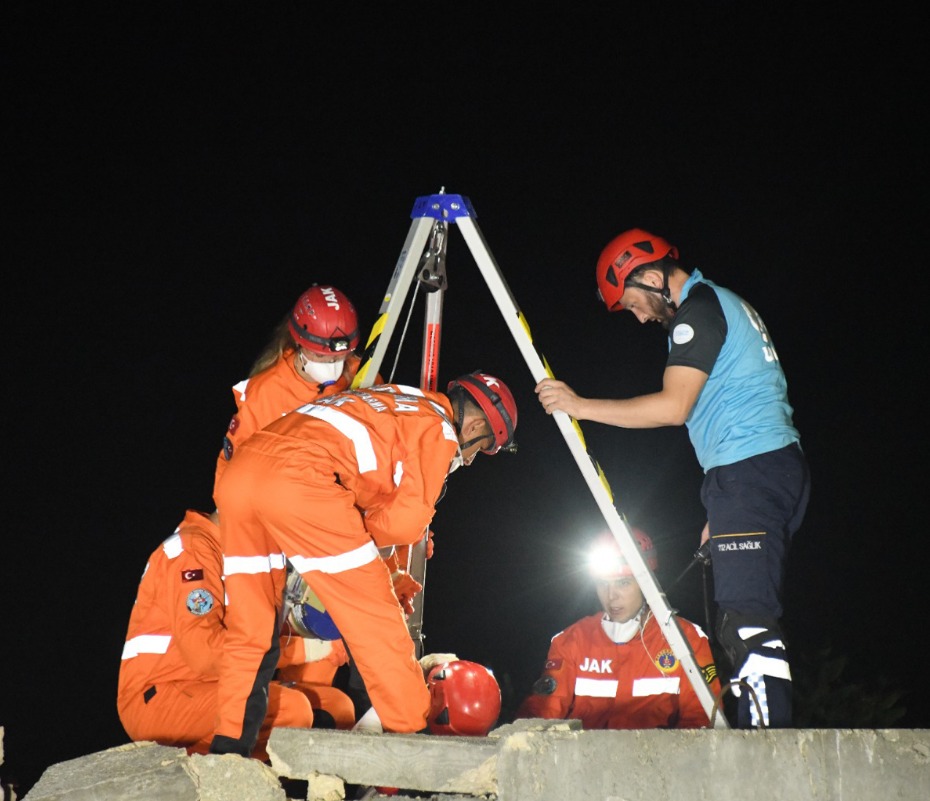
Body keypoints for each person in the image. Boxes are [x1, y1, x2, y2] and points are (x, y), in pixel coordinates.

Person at [535, 228, 810, 728]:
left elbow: (674, 406)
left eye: (633, 301)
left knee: (745, 620)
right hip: (760, 471)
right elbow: (738, 406)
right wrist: (719, 512)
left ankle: (769, 754)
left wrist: (578, 406)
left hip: (749, 472)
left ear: (650, 274)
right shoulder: (724, 303)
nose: (637, 316)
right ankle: (763, 738)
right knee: (738, 617)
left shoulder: (697, 312)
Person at [208, 371, 518, 755]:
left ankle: (228, 747)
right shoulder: (439, 429)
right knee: (377, 619)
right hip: (301, 481)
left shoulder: (397, 395)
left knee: (251, 625)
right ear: (474, 425)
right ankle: (412, 740)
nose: (469, 461)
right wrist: (354, 536)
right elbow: (406, 523)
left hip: (241, 474)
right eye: (478, 450)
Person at [117, 509, 354, 762]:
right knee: (291, 710)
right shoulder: (193, 551)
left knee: (337, 708)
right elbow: (205, 654)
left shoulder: (240, 552)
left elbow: (261, 634)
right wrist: (305, 650)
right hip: (163, 695)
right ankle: (195, 777)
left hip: (215, 683)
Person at [516, 529, 721, 729]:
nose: (611, 595)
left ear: (646, 582)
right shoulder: (571, 641)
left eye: (623, 583)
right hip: (584, 761)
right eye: (603, 583)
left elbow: (703, 720)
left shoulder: (685, 638)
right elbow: (541, 713)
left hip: (657, 761)